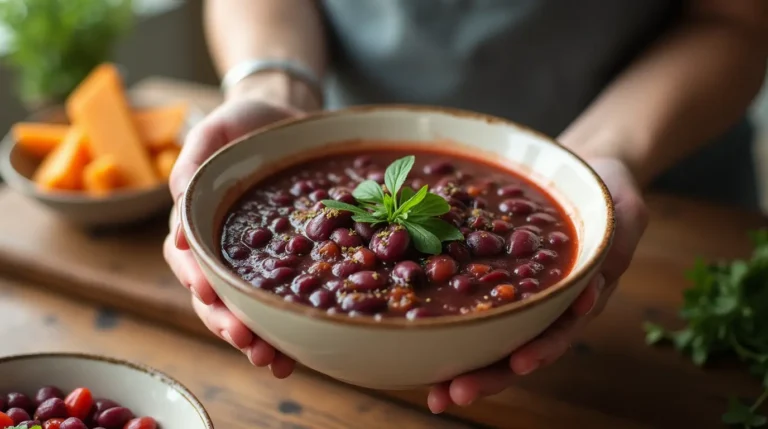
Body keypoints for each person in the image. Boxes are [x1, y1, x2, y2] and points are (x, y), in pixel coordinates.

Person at [165, 0, 768, 414]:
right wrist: (274, 88)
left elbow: (734, 17)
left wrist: (594, 159)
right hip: (339, 132)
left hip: (674, 203)